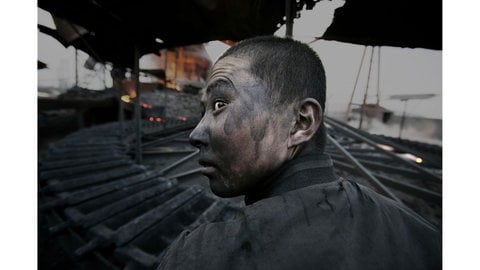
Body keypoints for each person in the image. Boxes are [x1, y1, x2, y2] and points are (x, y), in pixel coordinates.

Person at [157, 36, 441, 270]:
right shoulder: (422, 236)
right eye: (202, 111)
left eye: (220, 104)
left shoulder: (198, 257)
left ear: (301, 123)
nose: (196, 133)